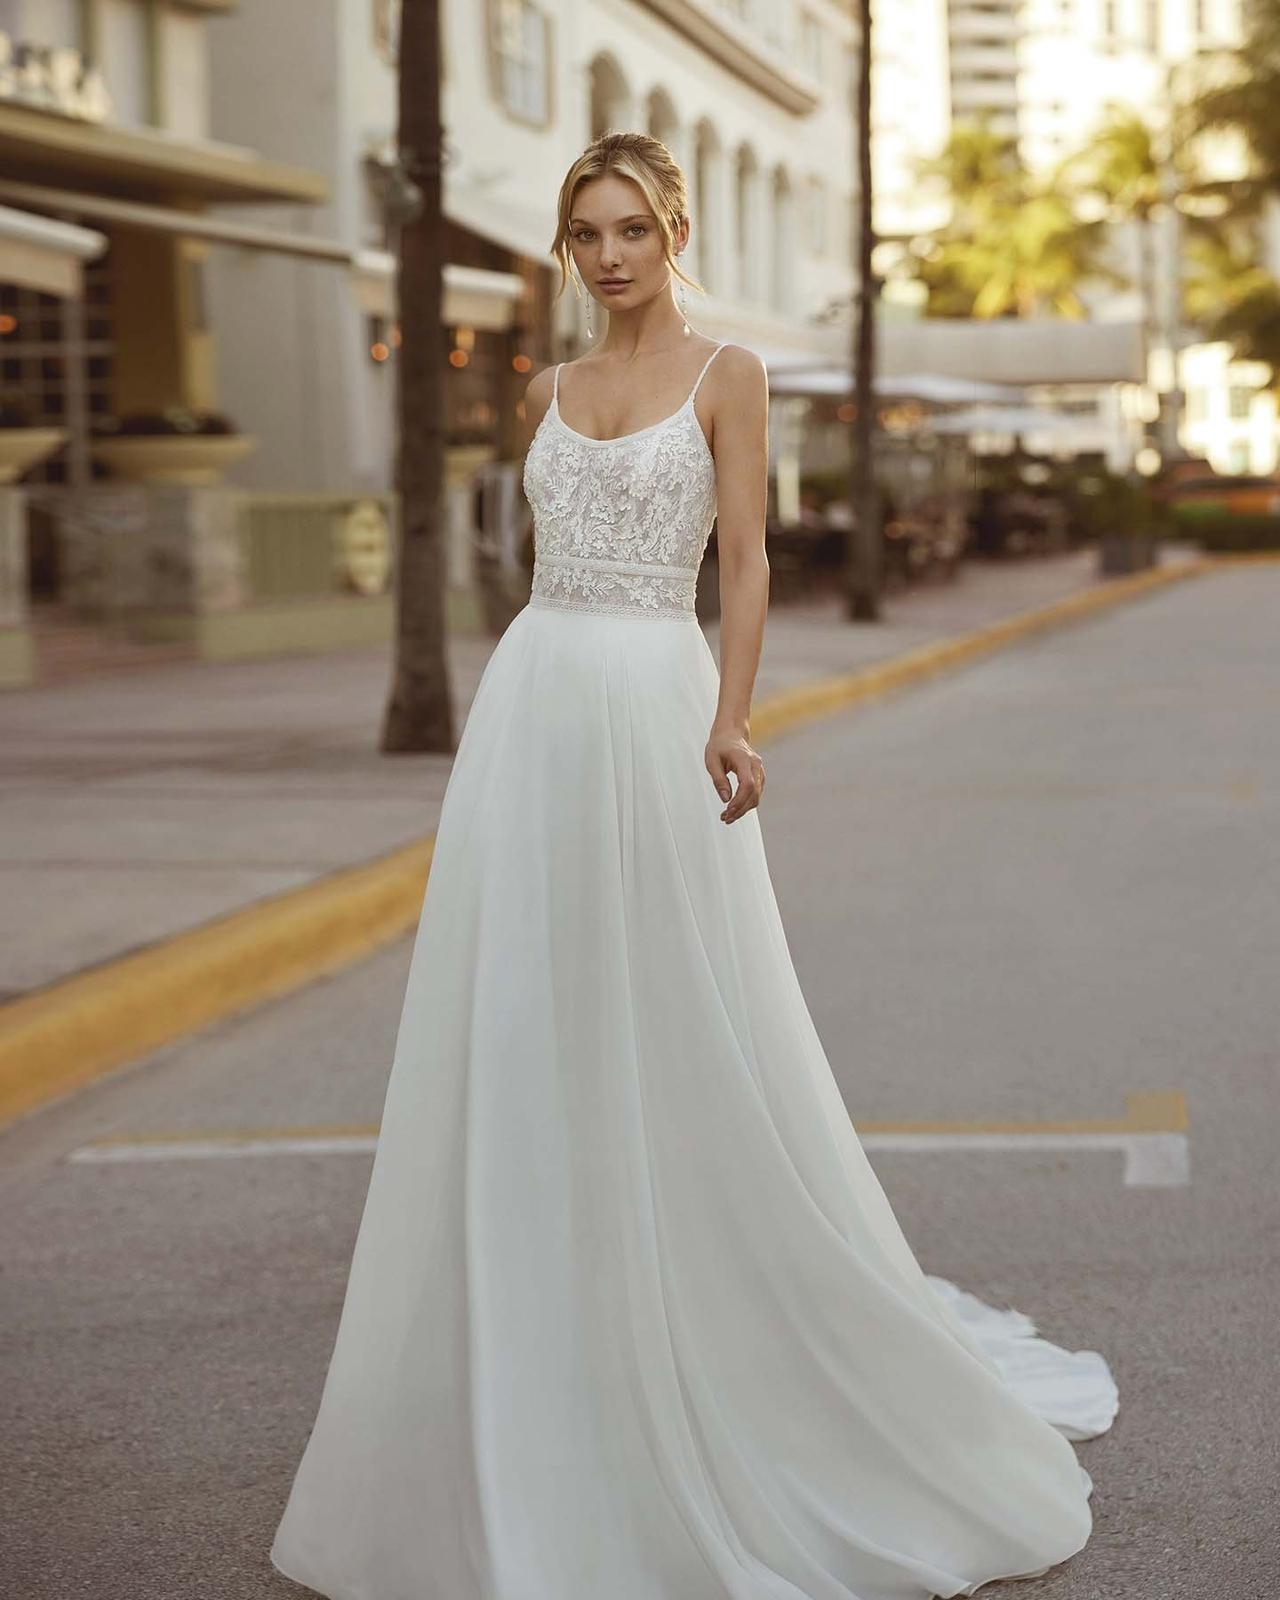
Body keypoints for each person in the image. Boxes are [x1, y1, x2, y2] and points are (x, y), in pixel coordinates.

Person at [269, 132, 1118, 1600]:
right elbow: (526, 562)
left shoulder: (729, 373)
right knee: (525, 1021)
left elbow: (747, 558)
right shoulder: (541, 389)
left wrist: (732, 716)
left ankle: (704, 1312)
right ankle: (539, 1337)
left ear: (674, 230)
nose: (606, 256)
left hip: (660, 705)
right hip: (534, 712)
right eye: (583, 232)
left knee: (680, 1011)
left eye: (631, 230)